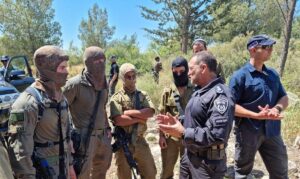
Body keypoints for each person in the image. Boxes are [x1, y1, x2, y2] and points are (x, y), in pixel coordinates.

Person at [157, 51, 235, 179]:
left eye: (191, 69)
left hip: (206, 164)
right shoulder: (200, 91)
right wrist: (178, 122)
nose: (188, 73)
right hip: (190, 157)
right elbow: (197, 119)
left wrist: (183, 132)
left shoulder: (220, 95)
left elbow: (216, 135)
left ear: (203, 68)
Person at [7, 45, 76, 179]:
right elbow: (19, 152)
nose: (67, 72)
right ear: (48, 70)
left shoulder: (61, 98)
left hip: (63, 170)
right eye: (62, 68)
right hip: (41, 173)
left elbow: (66, 138)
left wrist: (70, 166)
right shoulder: (25, 104)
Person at [229, 34, 289, 179]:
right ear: (252, 49)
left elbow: (284, 97)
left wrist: (276, 109)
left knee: (280, 172)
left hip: (273, 132)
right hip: (248, 132)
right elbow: (230, 106)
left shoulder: (272, 74)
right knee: (243, 173)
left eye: (271, 47)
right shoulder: (239, 76)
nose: (270, 50)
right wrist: (255, 115)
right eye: (266, 47)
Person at [63, 46, 112, 179]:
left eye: (103, 60)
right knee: (82, 173)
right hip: (84, 137)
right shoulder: (74, 84)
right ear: (88, 63)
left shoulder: (104, 83)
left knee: (102, 170)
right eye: (97, 61)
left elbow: (102, 107)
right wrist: (66, 137)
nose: (101, 64)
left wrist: (107, 127)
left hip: (103, 136)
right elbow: (60, 110)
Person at [110, 63, 157, 179]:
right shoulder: (116, 98)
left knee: (150, 173)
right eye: (128, 77)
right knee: (124, 175)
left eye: (133, 76)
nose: (132, 80)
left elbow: (150, 112)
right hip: (123, 143)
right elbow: (119, 120)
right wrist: (140, 118)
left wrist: (128, 113)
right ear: (122, 78)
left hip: (140, 141)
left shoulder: (143, 95)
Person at [158, 57, 194, 179]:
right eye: (175, 71)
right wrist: (161, 136)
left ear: (187, 70)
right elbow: (162, 115)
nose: (178, 74)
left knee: (189, 170)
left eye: (181, 71)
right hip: (171, 139)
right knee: (167, 170)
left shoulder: (196, 88)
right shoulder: (167, 91)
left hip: (189, 136)